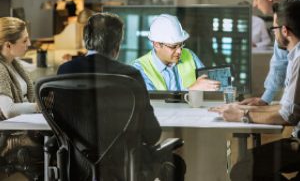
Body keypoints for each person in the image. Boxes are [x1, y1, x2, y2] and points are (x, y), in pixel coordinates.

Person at [57, 12, 186, 181]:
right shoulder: (129, 75)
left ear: (86, 39)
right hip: (124, 167)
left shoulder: (65, 72)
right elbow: (152, 134)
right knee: (177, 163)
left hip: (77, 166)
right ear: (117, 45)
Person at [210, 0, 300, 181]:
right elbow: (288, 107)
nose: (273, 34)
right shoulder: (294, 55)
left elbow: (288, 115)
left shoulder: (298, 58)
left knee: (242, 171)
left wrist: (241, 116)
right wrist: (246, 109)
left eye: (274, 29)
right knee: (246, 166)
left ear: (285, 31)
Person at [241, 0, 300, 106]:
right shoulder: (279, 16)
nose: (254, 4)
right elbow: (279, 60)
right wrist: (265, 99)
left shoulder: (296, 9)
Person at [0, 17, 43, 179]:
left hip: (26, 127)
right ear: (8, 45)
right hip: (11, 137)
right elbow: (8, 111)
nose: (29, 43)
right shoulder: (0, 69)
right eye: (24, 40)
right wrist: (37, 107)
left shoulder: (13, 63)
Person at [132, 14, 220, 91]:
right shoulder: (140, 68)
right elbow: (151, 103)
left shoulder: (190, 55)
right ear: (157, 45)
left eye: (181, 45)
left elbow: (209, 85)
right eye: (173, 46)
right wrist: (192, 90)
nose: (179, 51)